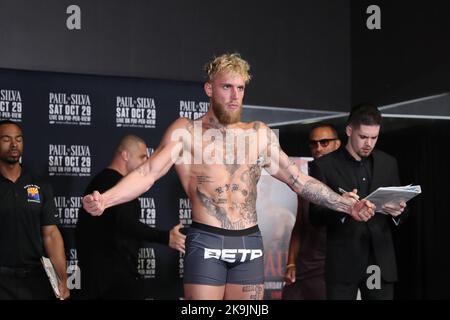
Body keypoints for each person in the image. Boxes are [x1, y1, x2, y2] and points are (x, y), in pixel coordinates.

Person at [82, 53, 375, 300]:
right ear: (209, 89)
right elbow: (148, 173)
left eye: (241, 88)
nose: (235, 96)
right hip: (206, 241)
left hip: (249, 243)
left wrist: (345, 204)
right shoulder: (187, 132)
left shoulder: (258, 134)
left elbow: (297, 180)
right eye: (227, 87)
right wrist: (105, 199)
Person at [309, 104, 407, 300]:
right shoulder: (324, 166)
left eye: (374, 137)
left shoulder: (389, 163)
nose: (369, 143)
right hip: (343, 264)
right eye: (363, 137)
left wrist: (399, 213)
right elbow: (315, 216)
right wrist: (343, 207)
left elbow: (403, 211)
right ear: (349, 131)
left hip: (378, 262)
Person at [75, 134, 186, 299]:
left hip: (107, 277)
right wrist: (165, 237)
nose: (146, 162)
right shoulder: (112, 183)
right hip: (109, 281)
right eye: (143, 157)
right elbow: (126, 223)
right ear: (125, 155)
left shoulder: (105, 180)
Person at [0, 120, 70, 300]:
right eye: (6, 139)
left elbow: (51, 234)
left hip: (35, 280)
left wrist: (62, 279)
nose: (14, 144)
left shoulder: (40, 185)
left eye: (19, 139)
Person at [283, 123, 341, 300]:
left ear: (337, 144)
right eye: (314, 143)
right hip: (306, 262)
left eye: (324, 142)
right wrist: (291, 262)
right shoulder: (305, 181)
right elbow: (300, 223)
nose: (318, 148)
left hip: (333, 263)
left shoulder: (346, 177)